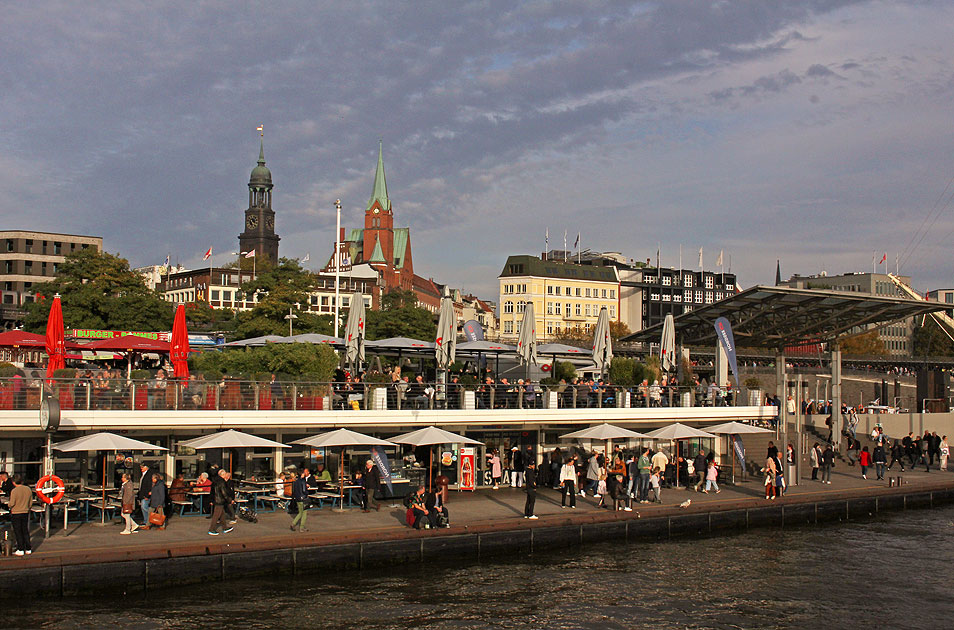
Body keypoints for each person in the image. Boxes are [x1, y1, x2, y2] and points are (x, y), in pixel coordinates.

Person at [9, 474, 33, 555]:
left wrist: (8, 505)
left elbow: (12, 503)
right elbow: (30, 502)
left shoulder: (14, 491)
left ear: (13, 482)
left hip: (16, 512)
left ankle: (20, 548)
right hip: (25, 512)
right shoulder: (28, 489)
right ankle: (28, 548)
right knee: (25, 530)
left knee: (18, 531)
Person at [208, 469, 234, 536]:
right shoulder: (222, 482)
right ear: (223, 474)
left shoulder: (214, 481)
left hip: (216, 499)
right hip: (220, 500)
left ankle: (225, 527)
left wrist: (211, 499)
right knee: (216, 515)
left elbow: (212, 491)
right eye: (225, 474)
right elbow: (224, 492)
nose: (226, 475)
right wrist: (229, 500)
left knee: (222, 514)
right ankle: (211, 529)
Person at [137, 463, 154, 528]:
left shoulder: (149, 474)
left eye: (142, 467)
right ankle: (146, 520)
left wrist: (147, 495)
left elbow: (149, 485)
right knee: (143, 507)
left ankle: (148, 520)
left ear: (146, 467)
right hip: (143, 494)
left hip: (146, 494)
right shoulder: (143, 474)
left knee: (144, 507)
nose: (141, 468)